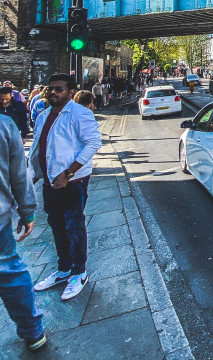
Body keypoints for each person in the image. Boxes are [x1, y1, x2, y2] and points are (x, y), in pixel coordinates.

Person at [29, 74, 102, 301]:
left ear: (71, 92)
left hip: (73, 181)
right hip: (50, 181)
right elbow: (41, 147)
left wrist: (68, 173)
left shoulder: (80, 113)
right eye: (51, 89)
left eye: (58, 89)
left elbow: (93, 143)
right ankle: (63, 269)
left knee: (74, 227)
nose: (53, 92)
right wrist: (34, 172)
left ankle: (79, 273)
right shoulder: (43, 116)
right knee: (57, 226)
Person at [0, 115, 46, 352]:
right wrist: (27, 211)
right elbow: (20, 173)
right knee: (9, 272)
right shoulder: (4, 125)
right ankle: (32, 331)